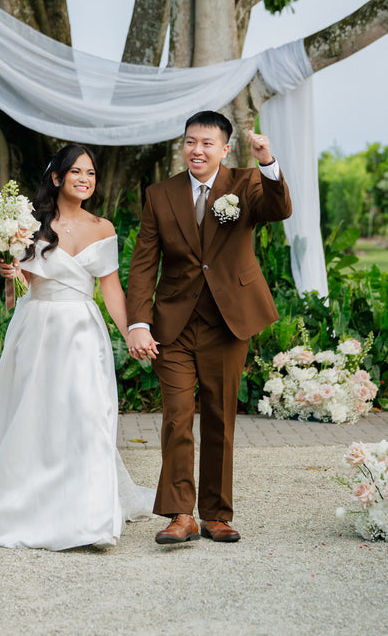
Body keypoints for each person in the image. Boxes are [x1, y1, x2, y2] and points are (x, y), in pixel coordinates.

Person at [0, 144, 154, 550]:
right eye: (76, 172)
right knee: (35, 415)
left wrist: (131, 331)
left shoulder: (103, 228)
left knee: (89, 415)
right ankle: (26, 505)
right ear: (56, 178)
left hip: (82, 331)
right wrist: (11, 272)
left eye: (90, 173)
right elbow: (17, 293)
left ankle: (92, 519)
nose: (84, 179)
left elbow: (110, 289)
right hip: (38, 326)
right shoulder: (27, 225)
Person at [126, 110, 292, 545]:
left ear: (224, 148)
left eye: (206, 143)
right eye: (189, 142)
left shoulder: (246, 183)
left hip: (227, 321)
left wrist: (268, 162)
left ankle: (216, 513)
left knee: (220, 418)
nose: (196, 150)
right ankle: (182, 514)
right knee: (177, 417)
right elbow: (144, 263)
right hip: (174, 324)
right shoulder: (160, 195)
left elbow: (279, 209)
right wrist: (138, 323)